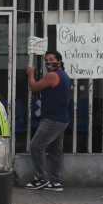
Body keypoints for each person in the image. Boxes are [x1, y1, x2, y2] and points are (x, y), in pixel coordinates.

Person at [25, 50, 72, 192]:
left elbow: (34, 87)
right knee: (55, 150)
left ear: (59, 61)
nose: (48, 62)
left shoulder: (52, 76)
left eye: (51, 59)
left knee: (36, 146)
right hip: (61, 119)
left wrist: (31, 74)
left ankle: (41, 179)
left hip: (52, 119)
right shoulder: (64, 75)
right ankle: (55, 182)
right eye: (46, 60)